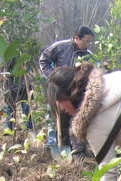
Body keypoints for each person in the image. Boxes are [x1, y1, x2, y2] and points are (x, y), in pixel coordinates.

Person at [40, 26, 94, 159]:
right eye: (86, 41)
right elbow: (43, 60)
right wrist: (52, 76)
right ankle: (54, 151)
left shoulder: (88, 55)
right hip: (57, 89)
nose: (87, 45)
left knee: (73, 120)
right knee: (54, 120)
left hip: (74, 94)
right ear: (77, 38)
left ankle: (75, 150)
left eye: (89, 42)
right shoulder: (60, 47)